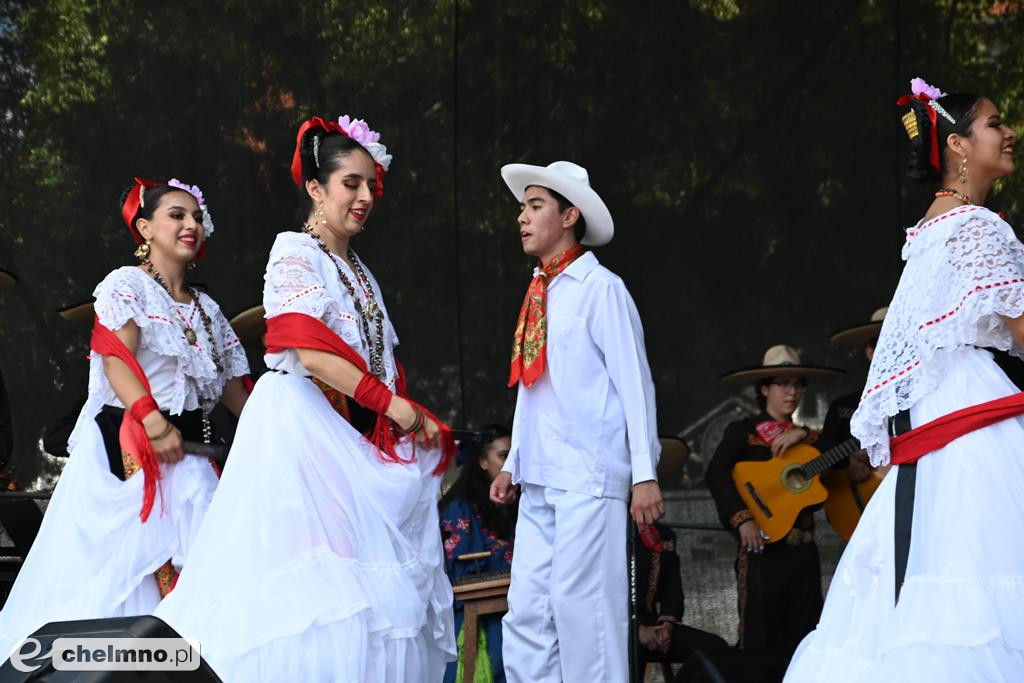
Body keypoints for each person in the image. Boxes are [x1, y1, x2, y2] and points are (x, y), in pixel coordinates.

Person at [155, 114, 457, 681]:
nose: (366, 196)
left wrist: (395, 417)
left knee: (369, 598)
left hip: (353, 435)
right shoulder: (295, 252)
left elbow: (380, 359)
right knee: (318, 600)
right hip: (304, 432)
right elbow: (304, 345)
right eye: (351, 183)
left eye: (372, 185)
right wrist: (394, 408)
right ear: (317, 188)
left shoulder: (360, 270)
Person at [784, 78, 1024, 681]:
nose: (1011, 131)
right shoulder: (979, 227)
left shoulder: (928, 230)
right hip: (971, 420)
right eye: (996, 123)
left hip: (938, 423)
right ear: (960, 145)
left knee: (927, 584)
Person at [0, 177, 250, 657]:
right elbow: (116, 357)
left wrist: (280, 430)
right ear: (144, 228)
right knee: (123, 585)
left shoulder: (208, 309)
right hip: (131, 455)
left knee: (203, 576)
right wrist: (152, 420)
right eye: (176, 215)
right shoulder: (126, 285)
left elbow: (236, 391)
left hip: (195, 460)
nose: (190, 224)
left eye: (196, 217)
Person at [489, 160, 663, 682]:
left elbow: (636, 385)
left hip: (588, 475)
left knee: (584, 614)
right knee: (527, 614)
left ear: (570, 216)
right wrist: (511, 462)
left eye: (535, 206)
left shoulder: (601, 288)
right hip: (541, 474)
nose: (522, 217)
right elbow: (532, 385)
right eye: (522, 207)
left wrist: (644, 473)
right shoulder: (539, 290)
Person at [705, 345, 843, 660]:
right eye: (782, 383)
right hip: (761, 553)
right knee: (759, 640)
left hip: (803, 554)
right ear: (765, 388)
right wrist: (743, 519)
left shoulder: (810, 438)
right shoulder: (743, 432)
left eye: (797, 384)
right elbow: (716, 473)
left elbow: (843, 456)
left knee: (807, 640)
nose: (792, 391)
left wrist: (804, 435)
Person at [439, 425, 515, 683]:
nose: (512, 463)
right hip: (483, 613)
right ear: (483, 461)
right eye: (504, 456)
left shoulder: (522, 501)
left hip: (518, 603)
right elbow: (461, 574)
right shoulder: (459, 509)